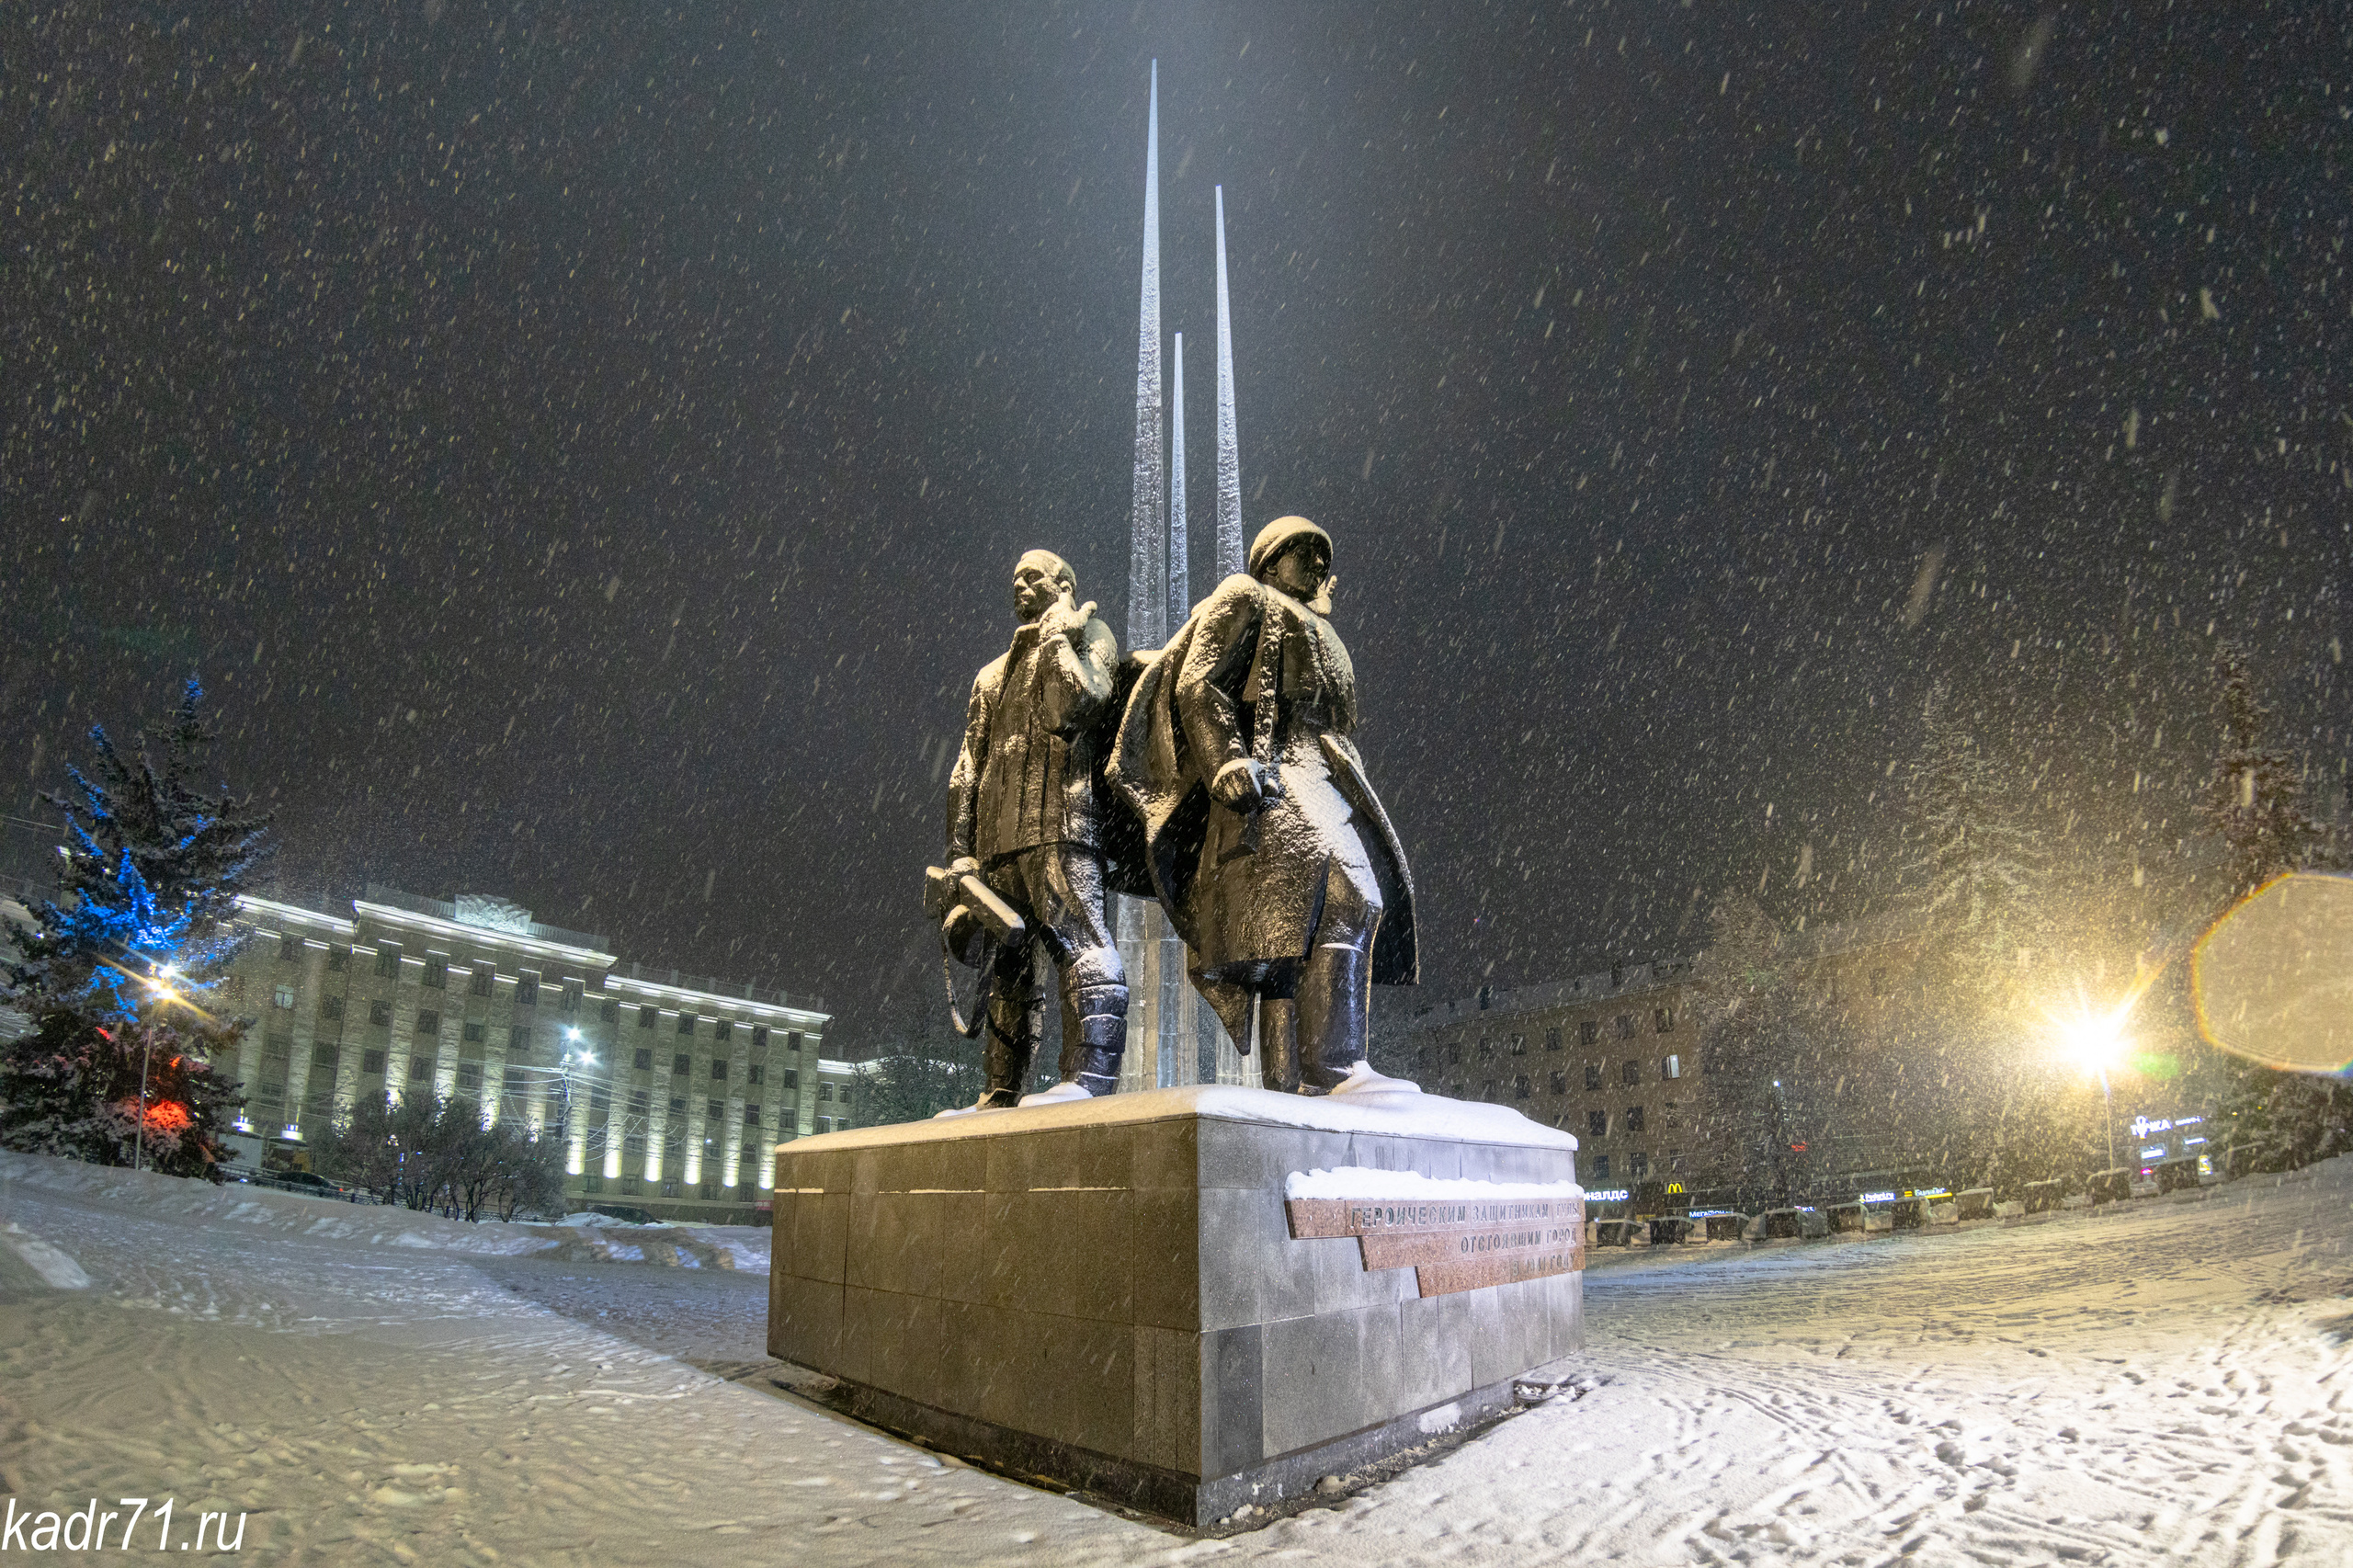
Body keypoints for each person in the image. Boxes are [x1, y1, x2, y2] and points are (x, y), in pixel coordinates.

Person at [1112, 516, 1417, 1094]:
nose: (1320, 565)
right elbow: (1198, 682)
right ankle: (1335, 1067)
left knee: (1290, 943)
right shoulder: (1246, 595)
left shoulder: (1322, 628)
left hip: (1326, 777)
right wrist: (1224, 758)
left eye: (1325, 556)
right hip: (1276, 775)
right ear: (1270, 562)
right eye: (1305, 552)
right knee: (1351, 900)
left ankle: (1291, 1085)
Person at [942, 550, 1128, 1107]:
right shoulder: (990, 675)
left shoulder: (1091, 635)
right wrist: (961, 853)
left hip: (1063, 822)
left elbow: (1074, 704)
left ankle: (1087, 1082)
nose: (1020, 587)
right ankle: (999, 1092)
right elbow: (967, 768)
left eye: (1033, 578)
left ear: (1064, 585)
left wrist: (1055, 636)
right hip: (997, 845)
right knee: (1008, 972)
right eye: (1014, 579)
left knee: (1082, 942)